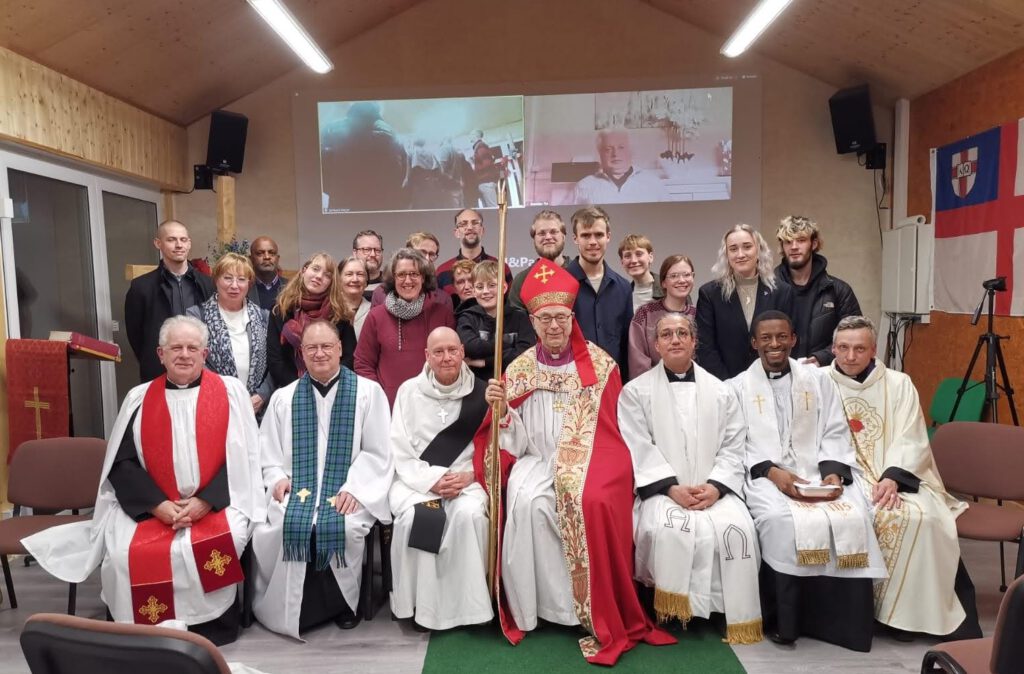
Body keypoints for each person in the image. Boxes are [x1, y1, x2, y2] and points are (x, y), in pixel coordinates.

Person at [22, 316, 264, 645]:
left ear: (205, 354)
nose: (184, 354)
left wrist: (205, 500)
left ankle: (208, 629)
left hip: (217, 502)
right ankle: (142, 631)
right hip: (152, 505)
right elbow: (122, 464)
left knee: (218, 543)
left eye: (192, 347)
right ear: (160, 354)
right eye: (175, 347)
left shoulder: (231, 393)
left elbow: (245, 457)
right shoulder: (139, 398)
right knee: (122, 552)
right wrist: (158, 505)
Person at [483, 260, 675, 665]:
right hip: (537, 461)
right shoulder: (517, 370)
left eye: (561, 318)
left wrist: (577, 471)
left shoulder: (601, 365)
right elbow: (512, 439)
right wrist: (502, 412)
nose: (554, 326)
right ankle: (545, 608)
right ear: (532, 322)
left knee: (589, 502)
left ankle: (584, 611)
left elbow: (612, 433)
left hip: (589, 461)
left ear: (572, 318)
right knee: (529, 504)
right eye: (545, 319)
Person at [729, 310, 885, 651]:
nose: (775, 344)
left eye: (782, 337)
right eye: (766, 338)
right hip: (765, 476)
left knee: (853, 514)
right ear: (754, 343)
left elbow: (834, 428)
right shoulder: (737, 388)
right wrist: (775, 473)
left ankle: (844, 626)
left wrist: (831, 472)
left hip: (816, 471)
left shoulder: (818, 380)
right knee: (779, 520)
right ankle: (787, 623)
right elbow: (735, 444)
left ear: (794, 339)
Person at [827, 316, 981, 639]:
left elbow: (911, 437)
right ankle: (862, 616)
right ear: (833, 348)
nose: (850, 356)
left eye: (859, 348)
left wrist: (892, 478)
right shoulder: (818, 382)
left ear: (873, 351)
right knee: (853, 516)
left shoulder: (898, 384)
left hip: (893, 475)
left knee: (919, 519)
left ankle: (903, 619)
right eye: (843, 348)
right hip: (847, 476)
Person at [619, 314, 762, 644]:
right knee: (667, 531)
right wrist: (671, 488)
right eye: (666, 334)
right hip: (664, 492)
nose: (675, 340)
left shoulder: (722, 392)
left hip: (713, 489)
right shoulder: (635, 392)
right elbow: (636, 445)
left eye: (682, 333)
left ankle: (720, 611)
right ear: (656, 346)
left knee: (736, 531)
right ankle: (674, 612)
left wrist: (715, 487)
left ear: (694, 341)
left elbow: (734, 443)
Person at [252, 320, 393, 638]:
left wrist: (356, 488)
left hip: (349, 487)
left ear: (340, 348)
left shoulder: (368, 394)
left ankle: (343, 604)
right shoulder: (283, 398)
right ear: (301, 353)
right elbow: (268, 453)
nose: (319, 353)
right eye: (311, 347)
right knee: (283, 521)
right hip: (297, 486)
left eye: (326, 346)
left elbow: (378, 452)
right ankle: (293, 608)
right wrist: (276, 478)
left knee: (340, 523)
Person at [389, 327, 494, 631]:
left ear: (463, 352)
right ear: (427, 356)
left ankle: (470, 610)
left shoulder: (484, 391)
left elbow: (499, 446)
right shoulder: (409, 391)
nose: (446, 358)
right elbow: (400, 449)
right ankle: (423, 608)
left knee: (470, 517)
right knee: (416, 520)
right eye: (438, 352)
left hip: (466, 480)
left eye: (452, 350)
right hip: (419, 482)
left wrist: (470, 474)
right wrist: (432, 480)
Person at [355, 248, 456, 408]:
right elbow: (363, 363)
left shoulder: (442, 314)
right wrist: (379, 398)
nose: (408, 280)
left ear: (423, 278)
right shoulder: (376, 316)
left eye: (414, 274)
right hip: (389, 409)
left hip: (435, 406)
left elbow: (453, 360)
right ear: (393, 278)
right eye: (401, 274)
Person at [696, 224, 793, 380]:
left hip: (772, 381)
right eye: (733, 249)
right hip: (724, 384)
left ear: (759, 251)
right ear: (726, 255)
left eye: (747, 247)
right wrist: (727, 384)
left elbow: (787, 341)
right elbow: (705, 347)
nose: (740, 254)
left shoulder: (781, 291)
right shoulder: (709, 294)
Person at [125, 220, 214, 382]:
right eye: (171, 240)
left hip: (203, 370)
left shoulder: (208, 284)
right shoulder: (141, 287)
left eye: (183, 240)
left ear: (189, 244)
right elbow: (136, 336)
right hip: (158, 372)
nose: (179, 245)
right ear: (158, 243)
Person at [186, 253, 272, 416]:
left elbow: (274, 362)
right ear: (216, 279)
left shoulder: (264, 317)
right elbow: (193, 360)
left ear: (249, 283)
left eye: (241, 279)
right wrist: (227, 395)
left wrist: (262, 395)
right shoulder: (196, 316)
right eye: (228, 278)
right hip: (213, 405)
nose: (234, 285)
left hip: (257, 410)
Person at [775, 216, 861, 365]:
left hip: (824, 375)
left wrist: (823, 358)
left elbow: (854, 335)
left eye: (801, 240)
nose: (794, 246)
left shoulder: (838, 290)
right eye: (788, 241)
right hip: (778, 374)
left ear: (813, 244)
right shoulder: (769, 289)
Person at [267, 252, 357, 389]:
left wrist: (327, 384)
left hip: (334, 388)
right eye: (315, 269)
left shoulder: (340, 313)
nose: (319, 276)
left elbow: (349, 357)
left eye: (327, 275)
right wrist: (301, 386)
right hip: (292, 389)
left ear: (331, 283)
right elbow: (275, 360)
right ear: (304, 270)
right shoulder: (281, 310)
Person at [566, 206, 633, 379]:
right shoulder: (560, 284)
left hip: (612, 383)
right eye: (586, 235)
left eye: (599, 234)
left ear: (608, 237)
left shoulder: (623, 287)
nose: (593, 241)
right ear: (575, 239)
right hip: (570, 382)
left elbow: (626, 345)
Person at [321, 101, 408, 212]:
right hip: (381, 200)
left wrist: (335, 190)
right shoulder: (389, 133)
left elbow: (322, 169)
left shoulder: (331, 130)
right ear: (377, 112)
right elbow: (400, 169)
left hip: (343, 199)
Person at [456, 261, 535, 379]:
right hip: (476, 386)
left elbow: (525, 355)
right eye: (479, 287)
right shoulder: (467, 317)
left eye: (492, 285)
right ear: (473, 291)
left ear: (503, 288)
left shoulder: (520, 318)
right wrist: (507, 345)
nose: (485, 291)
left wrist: (485, 362)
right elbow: (469, 347)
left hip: (513, 385)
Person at [628, 255, 697, 377]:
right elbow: (637, 359)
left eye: (686, 275)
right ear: (663, 282)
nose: (681, 280)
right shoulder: (645, 313)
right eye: (674, 276)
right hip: (652, 387)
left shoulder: (698, 315)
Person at [568, 128, 668, 205]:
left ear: (631, 151)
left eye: (621, 147)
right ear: (600, 153)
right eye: (608, 149)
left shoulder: (652, 183)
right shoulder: (584, 186)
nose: (615, 154)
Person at [435, 208, 513, 296]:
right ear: (456, 232)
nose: (470, 227)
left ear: (482, 230)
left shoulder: (500, 267)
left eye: (475, 223)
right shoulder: (442, 271)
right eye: (463, 224)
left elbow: (509, 304)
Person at [370, 232, 453, 310]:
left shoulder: (443, 299)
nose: (427, 258)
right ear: (408, 252)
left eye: (431, 254)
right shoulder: (380, 293)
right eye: (422, 252)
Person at [509, 210, 570, 312]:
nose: (548, 237)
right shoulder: (522, 280)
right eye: (541, 233)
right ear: (534, 239)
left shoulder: (578, 274)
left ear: (563, 237)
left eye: (553, 232)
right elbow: (516, 323)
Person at [619, 234, 663, 314]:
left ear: (650, 257)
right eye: (627, 256)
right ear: (622, 262)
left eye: (639, 254)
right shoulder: (621, 296)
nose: (633, 260)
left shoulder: (669, 288)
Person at [338, 257, 371, 338]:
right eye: (349, 274)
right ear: (338, 279)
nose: (355, 279)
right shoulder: (328, 309)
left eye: (360, 274)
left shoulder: (374, 311)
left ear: (366, 281)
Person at [248, 236, 284, 312]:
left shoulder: (291, 287)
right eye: (260, 253)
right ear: (251, 259)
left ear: (277, 258)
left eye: (272, 253)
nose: (267, 257)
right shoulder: (243, 288)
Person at [352, 230, 385, 301]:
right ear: (355, 253)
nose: (373, 254)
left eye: (377, 250)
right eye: (366, 250)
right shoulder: (346, 285)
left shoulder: (392, 284)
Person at [470, 130, 500, 207]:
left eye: (471, 134)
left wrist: (475, 170)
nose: (469, 137)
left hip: (486, 181)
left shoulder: (480, 146)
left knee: (493, 208)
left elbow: (487, 163)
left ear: (476, 136)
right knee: (490, 208)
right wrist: (474, 161)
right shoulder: (479, 147)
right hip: (486, 182)